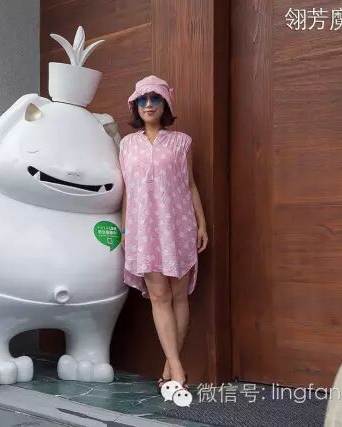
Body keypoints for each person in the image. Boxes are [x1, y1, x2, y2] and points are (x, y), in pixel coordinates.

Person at [118, 75, 208, 390]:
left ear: (165, 103)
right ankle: (178, 370)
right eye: (142, 100)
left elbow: (190, 185)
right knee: (158, 295)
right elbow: (127, 191)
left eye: (155, 98)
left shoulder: (182, 142)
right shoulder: (126, 145)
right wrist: (125, 229)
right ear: (135, 106)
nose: (149, 104)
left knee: (179, 296)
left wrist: (202, 223)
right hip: (143, 229)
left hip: (178, 225)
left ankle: (170, 368)